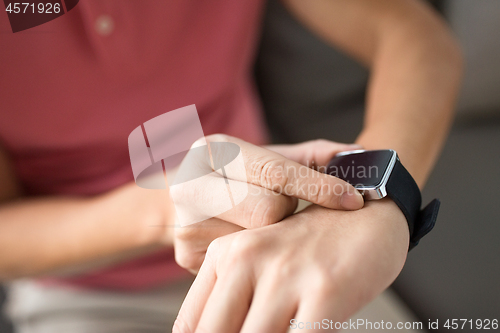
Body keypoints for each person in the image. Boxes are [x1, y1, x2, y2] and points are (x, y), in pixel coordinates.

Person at [0, 0, 462, 332]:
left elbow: (411, 34)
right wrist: (167, 209)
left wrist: (383, 200)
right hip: (89, 293)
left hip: (281, 235)